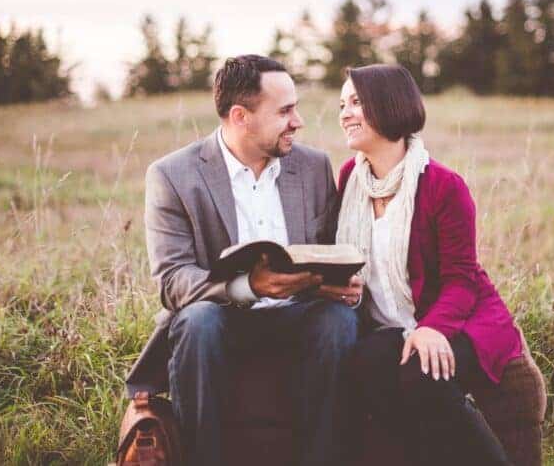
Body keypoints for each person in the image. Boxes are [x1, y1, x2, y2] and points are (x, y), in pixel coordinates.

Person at [125, 55, 362, 466]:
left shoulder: (313, 166)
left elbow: (328, 251)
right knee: (198, 321)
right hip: (221, 317)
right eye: (285, 111)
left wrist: (338, 282)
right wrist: (250, 287)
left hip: (297, 315)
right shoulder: (172, 175)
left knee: (337, 321)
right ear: (241, 117)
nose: (298, 121)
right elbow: (173, 281)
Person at [327, 64, 523, 465]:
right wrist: (339, 287)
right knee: (364, 366)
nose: (344, 113)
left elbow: (461, 279)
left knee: (423, 376)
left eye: (356, 102)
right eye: (342, 104)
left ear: (389, 105)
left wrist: (433, 328)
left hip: (462, 319)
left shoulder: (442, 185)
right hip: (393, 325)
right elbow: (346, 261)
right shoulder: (350, 178)